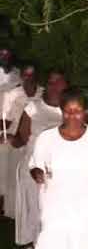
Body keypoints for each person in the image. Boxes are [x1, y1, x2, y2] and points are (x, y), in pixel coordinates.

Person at [29, 87, 88, 249]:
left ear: (86, 112)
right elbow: (34, 166)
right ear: (61, 111)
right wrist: (37, 172)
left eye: (77, 111)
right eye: (67, 111)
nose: (72, 116)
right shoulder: (46, 138)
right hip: (56, 213)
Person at [3, 70, 67, 247]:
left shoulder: (70, 109)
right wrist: (8, 138)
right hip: (31, 170)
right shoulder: (32, 108)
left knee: (53, 214)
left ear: (66, 84)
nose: (53, 86)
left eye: (58, 81)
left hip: (59, 171)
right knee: (34, 213)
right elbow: (21, 140)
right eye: (50, 82)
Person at [1, 65, 43, 219]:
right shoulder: (12, 94)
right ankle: (13, 210)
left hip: (35, 137)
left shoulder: (42, 93)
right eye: (25, 75)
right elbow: (5, 121)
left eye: (31, 75)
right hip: (15, 135)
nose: (28, 78)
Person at [0, 48, 20, 214]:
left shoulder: (18, 75)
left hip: (12, 122)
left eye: (7, 55)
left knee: (9, 165)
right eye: (1, 55)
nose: (4, 58)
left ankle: (8, 205)